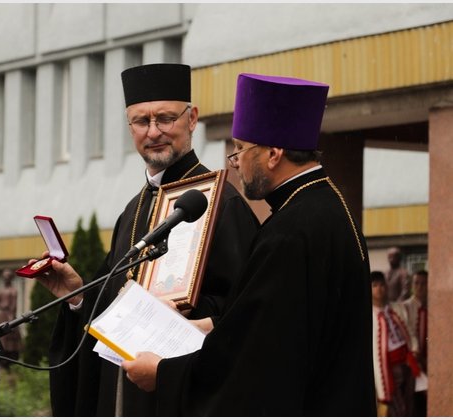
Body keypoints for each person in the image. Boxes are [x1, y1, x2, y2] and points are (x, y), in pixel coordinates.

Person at [121, 73, 377, 415]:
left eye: (240, 148)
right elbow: (275, 322)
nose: (235, 161)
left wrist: (165, 374)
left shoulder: (291, 232)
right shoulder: (324, 208)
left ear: (273, 154)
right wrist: (206, 326)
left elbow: (256, 361)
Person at [44, 63, 260, 416]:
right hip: (121, 394)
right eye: (141, 121)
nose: (154, 131)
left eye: (165, 118)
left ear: (192, 119)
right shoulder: (133, 210)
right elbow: (113, 305)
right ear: (130, 127)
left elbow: (246, 310)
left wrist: (182, 316)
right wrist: (78, 296)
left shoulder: (221, 202)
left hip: (179, 395)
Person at [371, 270, 418, 417]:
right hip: (387, 368)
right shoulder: (368, 316)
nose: (379, 289)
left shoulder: (397, 308)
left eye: (382, 285)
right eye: (375, 286)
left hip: (407, 363)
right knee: (395, 407)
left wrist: (415, 350)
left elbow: (410, 332)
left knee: (409, 402)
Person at [403, 269, 428, 416]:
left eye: (423, 283)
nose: (419, 287)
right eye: (416, 283)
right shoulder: (405, 307)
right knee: (413, 401)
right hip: (413, 361)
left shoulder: (434, 306)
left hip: (430, 360)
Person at [0, 268, 23, 367]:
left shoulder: (13, 291)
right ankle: (1, 357)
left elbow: (14, 306)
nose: (5, 279)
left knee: (9, 337)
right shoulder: (1, 290)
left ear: (10, 278)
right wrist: (1, 306)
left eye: (7, 277)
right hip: (2, 315)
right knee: (0, 336)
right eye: (4, 277)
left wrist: (11, 317)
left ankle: (9, 359)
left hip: (9, 315)